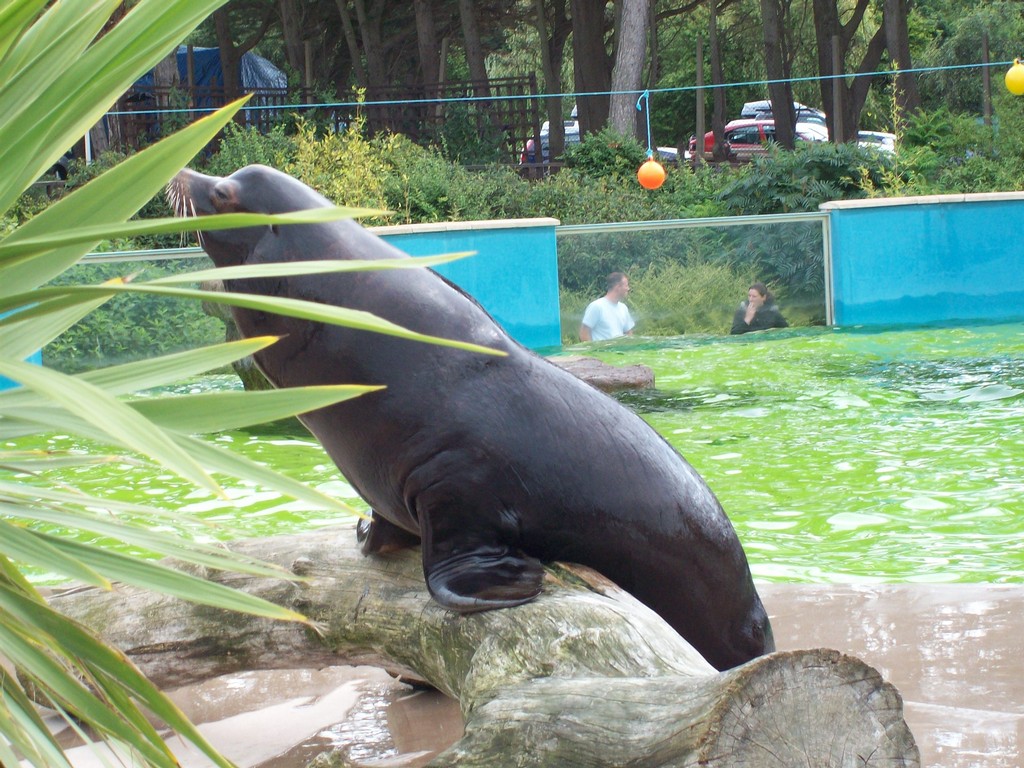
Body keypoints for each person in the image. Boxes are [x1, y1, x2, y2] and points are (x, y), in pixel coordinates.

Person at [580, 272, 635, 341]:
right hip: (601, 348)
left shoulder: (623, 308)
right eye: (626, 285)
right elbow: (584, 332)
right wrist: (592, 347)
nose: (628, 289)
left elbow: (628, 333)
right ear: (618, 287)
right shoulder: (597, 306)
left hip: (619, 348)